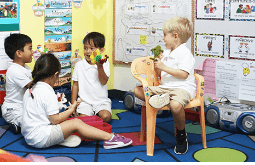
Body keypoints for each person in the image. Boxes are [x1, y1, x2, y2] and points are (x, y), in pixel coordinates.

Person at [21, 53, 132, 149]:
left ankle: (61, 139)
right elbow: (55, 120)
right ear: (55, 75)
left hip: (28, 137)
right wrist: (71, 109)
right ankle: (110, 138)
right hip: (40, 139)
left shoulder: (30, 89)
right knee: (76, 123)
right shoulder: (48, 92)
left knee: (67, 122)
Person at [134, 17, 196, 155]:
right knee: (137, 90)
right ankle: (163, 98)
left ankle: (181, 135)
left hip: (182, 88)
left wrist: (164, 66)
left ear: (175, 36)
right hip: (165, 88)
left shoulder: (185, 53)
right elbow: (160, 75)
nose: (163, 38)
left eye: (164, 35)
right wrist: (158, 65)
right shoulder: (167, 53)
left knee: (175, 105)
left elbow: (184, 74)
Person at [71, 32, 112, 123]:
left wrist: (99, 66)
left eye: (92, 48)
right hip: (85, 102)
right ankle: (91, 118)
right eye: (85, 48)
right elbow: (75, 85)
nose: (88, 51)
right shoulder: (79, 65)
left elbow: (103, 82)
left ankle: (95, 117)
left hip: (101, 101)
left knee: (106, 117)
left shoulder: (104, 63)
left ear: (101, 50)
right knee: (83, 120)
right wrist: (73, 105)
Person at [1, 34, 33, 133]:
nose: (32, 52)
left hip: (23, 105)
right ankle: (14, 122)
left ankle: (19, 124)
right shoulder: (14, 70)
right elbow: (32, 85)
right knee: (34, 125)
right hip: (13, 109)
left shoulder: (25, 68)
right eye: (30, 49)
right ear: (19, 53)